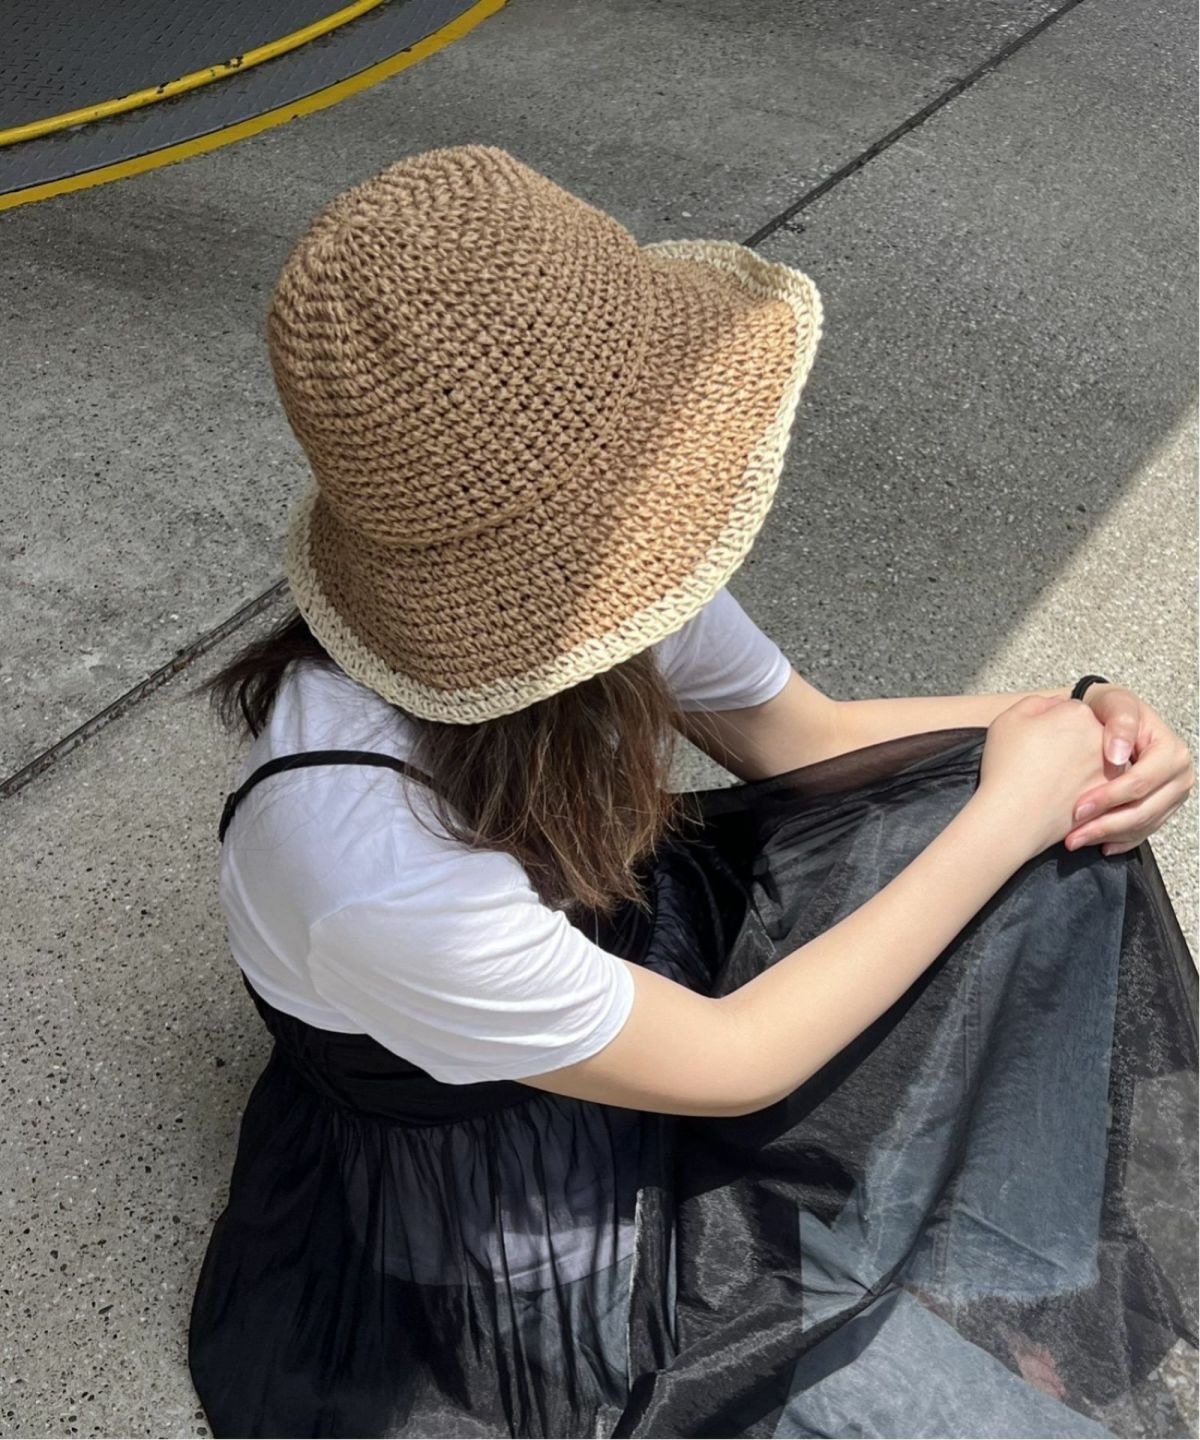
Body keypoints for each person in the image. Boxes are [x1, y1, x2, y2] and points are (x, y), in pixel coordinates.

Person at [187, 144, 1198, 1439]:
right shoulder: (359, 860)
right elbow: (733, 1062)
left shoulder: (596, 585)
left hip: (628, 961)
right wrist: (1009, 806)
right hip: (517, 1181)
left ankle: (1008, 1270)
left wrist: (1070, 717)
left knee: (1064, 822)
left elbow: (807, 739)